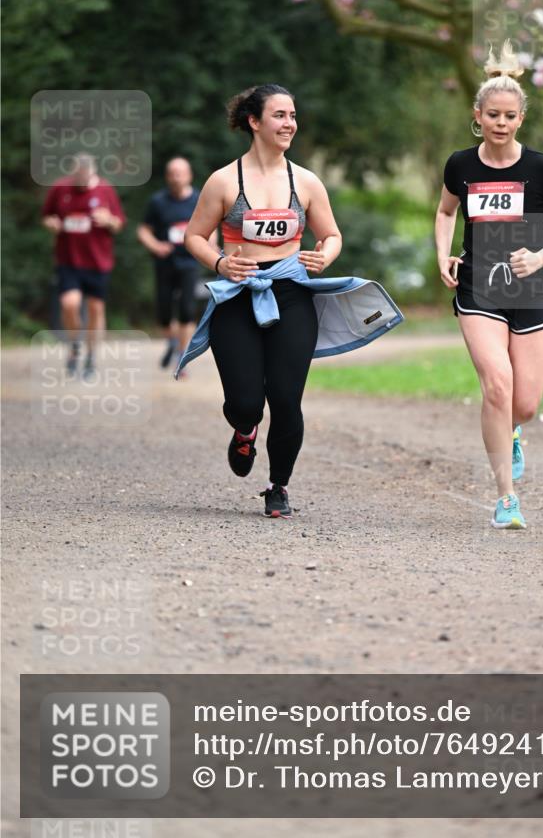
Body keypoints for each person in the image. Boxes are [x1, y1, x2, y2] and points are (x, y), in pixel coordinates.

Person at [178, 83, 403, 518]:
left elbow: (332, 234)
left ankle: (277, 485)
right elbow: (193, 236)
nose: (290, 124)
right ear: (254, 121)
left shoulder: (306, 182)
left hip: (292, 294)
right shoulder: (224, 181)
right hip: (239, 296)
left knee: (285, 397)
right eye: (280, 115)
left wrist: (325, 256)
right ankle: (245, 429)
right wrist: (221, 264)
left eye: (293, 116)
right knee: (246, 401)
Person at [435, 40, 543, 530]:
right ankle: (506, 498)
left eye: (509, 116)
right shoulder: (461, 165)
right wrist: (443, 254)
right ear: (477, 115)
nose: (500, 123)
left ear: (520, 118)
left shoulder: (541, 168)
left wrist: (541, 256)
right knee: (497, 388)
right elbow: (444, 212)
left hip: (535, 291)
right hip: (479, 288)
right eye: (492, 115)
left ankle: (514, 431)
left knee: (524, 403)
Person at [41, 153, 126, 379]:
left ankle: (91, 357)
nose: (80, 181)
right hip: (68, 259)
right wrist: (52, 223)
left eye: (85, 177)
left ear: (92, 173)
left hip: (98, 261)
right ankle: (75, 345)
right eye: (77, 176)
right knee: (69, 304)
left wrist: (108, 220)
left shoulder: (105, 191)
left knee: (95, 310)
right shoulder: (60, 189)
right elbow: (47, 216)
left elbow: (119, 223)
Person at [137, 156, 202, 371]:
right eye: (172, 174)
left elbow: (210, 228)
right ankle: (173, 342)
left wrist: (208, 249)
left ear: (189, 175)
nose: (176, 178)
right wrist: (156, 246)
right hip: (165, 263)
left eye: (180, 173)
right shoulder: (158, 201)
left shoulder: (198, 199)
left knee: (186, 309)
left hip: (189, 262)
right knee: (164, 312)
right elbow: (143, 230)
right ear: (167, 177)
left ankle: (181, 357)